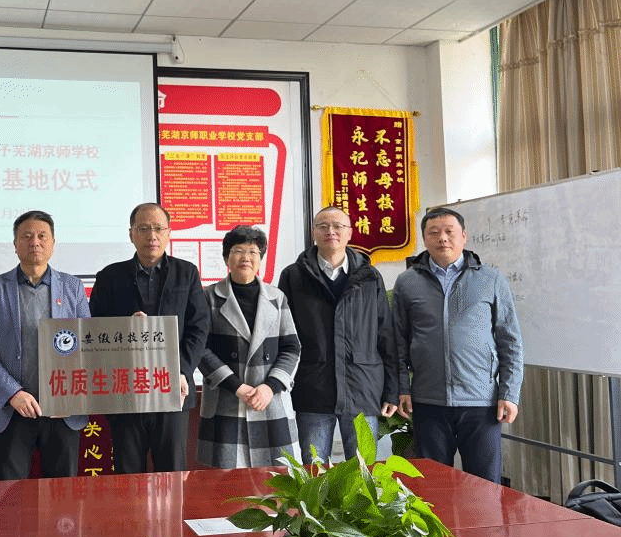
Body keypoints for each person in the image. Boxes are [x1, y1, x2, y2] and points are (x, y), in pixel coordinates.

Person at [393, 207, 524, 483]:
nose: (442, 238)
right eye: (434, 232)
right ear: (424, 238)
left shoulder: (491, 279)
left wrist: (509, 393)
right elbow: (398, 341)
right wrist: (402, 387)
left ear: (463, 236)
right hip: (428, 400)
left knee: (484, 484)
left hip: (481, 401)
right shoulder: (407, 282)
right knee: (431, 484)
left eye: (449, 231)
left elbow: (510, 341)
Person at [88, 202, 210, 473]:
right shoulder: (110, 276)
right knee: (127, 475)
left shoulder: (186, 273)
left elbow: (199, 327)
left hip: (173, 389)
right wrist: (124, 328)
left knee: (172, 474)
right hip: (126, 391)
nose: (151, 236)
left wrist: (181, 371)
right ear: (131, 234)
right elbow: (93, 329)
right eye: (143, 229)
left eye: (158, 228)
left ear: (168, 233)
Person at [0, 211, 90, 480]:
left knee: (61, 497)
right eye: (26, 236)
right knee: (9, 495)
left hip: (62, 410)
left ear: (53, 243)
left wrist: (69, 394)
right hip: (12, 409)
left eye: (41, 236)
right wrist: (13, 393)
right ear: (15, 245)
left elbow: (87, 343)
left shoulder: (72, 287)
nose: (34, 242)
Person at [278, 206, 398, 463]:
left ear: (350, 233)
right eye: (323, 226)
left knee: (363, 469)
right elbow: (283, 334)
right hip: (312, 386)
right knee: (313, 470)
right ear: (314, 232)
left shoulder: (369, 277)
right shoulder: (293, 276)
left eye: (338, 226)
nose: (330, 231)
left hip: (362, 387)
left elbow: (385, 335)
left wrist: (391, 390)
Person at [198, 226, 300, 468]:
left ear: (260, 259)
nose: (246, 257)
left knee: (278, 479)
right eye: (238, 251)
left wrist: (270, 387)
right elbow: (200, 349)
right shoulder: (208, 297)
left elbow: (291, 347)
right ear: (227, 258)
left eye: (253, 252)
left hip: (270, 402)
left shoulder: (277, 298)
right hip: (227, 400)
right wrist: (237, 386)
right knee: (226, 482)